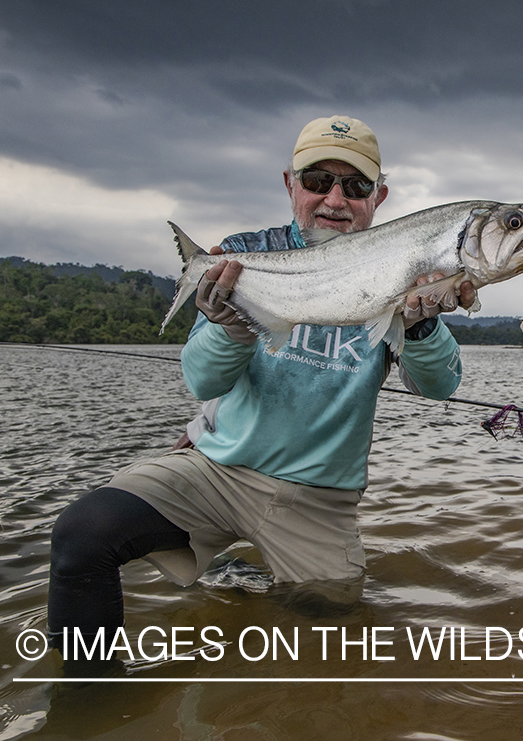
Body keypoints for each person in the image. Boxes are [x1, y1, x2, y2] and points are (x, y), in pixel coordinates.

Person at [48, 115, 472, 653]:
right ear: (290, 184)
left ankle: (240, 582)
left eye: (356, 186)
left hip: (322, 498)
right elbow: (202, 380)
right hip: (218, 471)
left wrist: (424, 322)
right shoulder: (246, 253)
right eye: (318, 181)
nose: (335, 201)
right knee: (84, 533)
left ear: (379, 196)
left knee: (328, 630)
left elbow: (440, 387)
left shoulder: (404, 266)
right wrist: (230, 327)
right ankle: (86, 707)